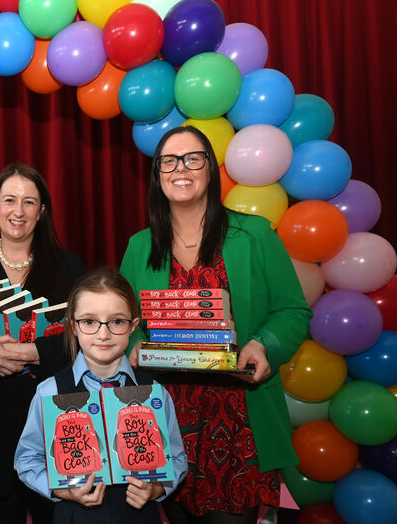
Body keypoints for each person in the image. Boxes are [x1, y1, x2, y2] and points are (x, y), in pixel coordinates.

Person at [119, 127, 312, 524]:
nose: (180, 168)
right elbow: (124, 322)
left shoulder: (254, 235)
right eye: (168, 161)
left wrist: (263, 345)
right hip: (166, 422)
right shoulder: (140, 246)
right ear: (157, 174)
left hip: (240, 422)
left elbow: (294, 312)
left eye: (193, 158)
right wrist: (133, 343)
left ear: (210, 169)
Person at [0, 163, 85, 523]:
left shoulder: (70, 270)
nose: (18, 211)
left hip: (57, 423)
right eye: (9, 200)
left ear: (42, 211)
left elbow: (89, 338)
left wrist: (35, 352)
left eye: (28, 202)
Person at [14, 267, 187, 523]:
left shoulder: (155, 393)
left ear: (133, 325)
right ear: (73, 325)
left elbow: (178, 458)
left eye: (116, 321)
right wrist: (63, 490)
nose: (103, 334)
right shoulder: (49, 392)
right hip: (74, 516)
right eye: (89, 321)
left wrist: (156, 488)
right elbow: (27, 459)